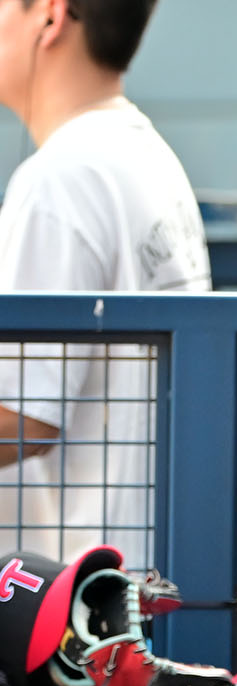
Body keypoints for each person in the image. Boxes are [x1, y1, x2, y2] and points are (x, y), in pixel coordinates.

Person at [0, 0, 210, 570]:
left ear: (50, 15)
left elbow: (24, 418)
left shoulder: (60, 179)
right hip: (142, 571)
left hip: (76, 593)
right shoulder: (147, 156)